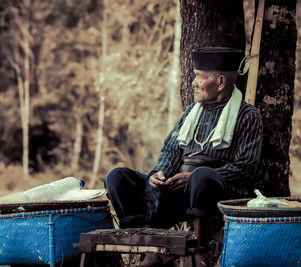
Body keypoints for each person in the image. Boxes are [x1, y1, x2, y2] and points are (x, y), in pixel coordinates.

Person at [105, 47, 263, 267]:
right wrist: (158, 175)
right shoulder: (191, 112)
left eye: (199, 76)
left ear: (220, 82)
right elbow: (171, 150)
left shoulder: (247, 115)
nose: (194, 82)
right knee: (117, 177)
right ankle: (152, 249)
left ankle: (202, 253)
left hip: (213, 191)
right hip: (176, 194)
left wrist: (193, 177)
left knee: (201, 176)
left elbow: (246, 168)